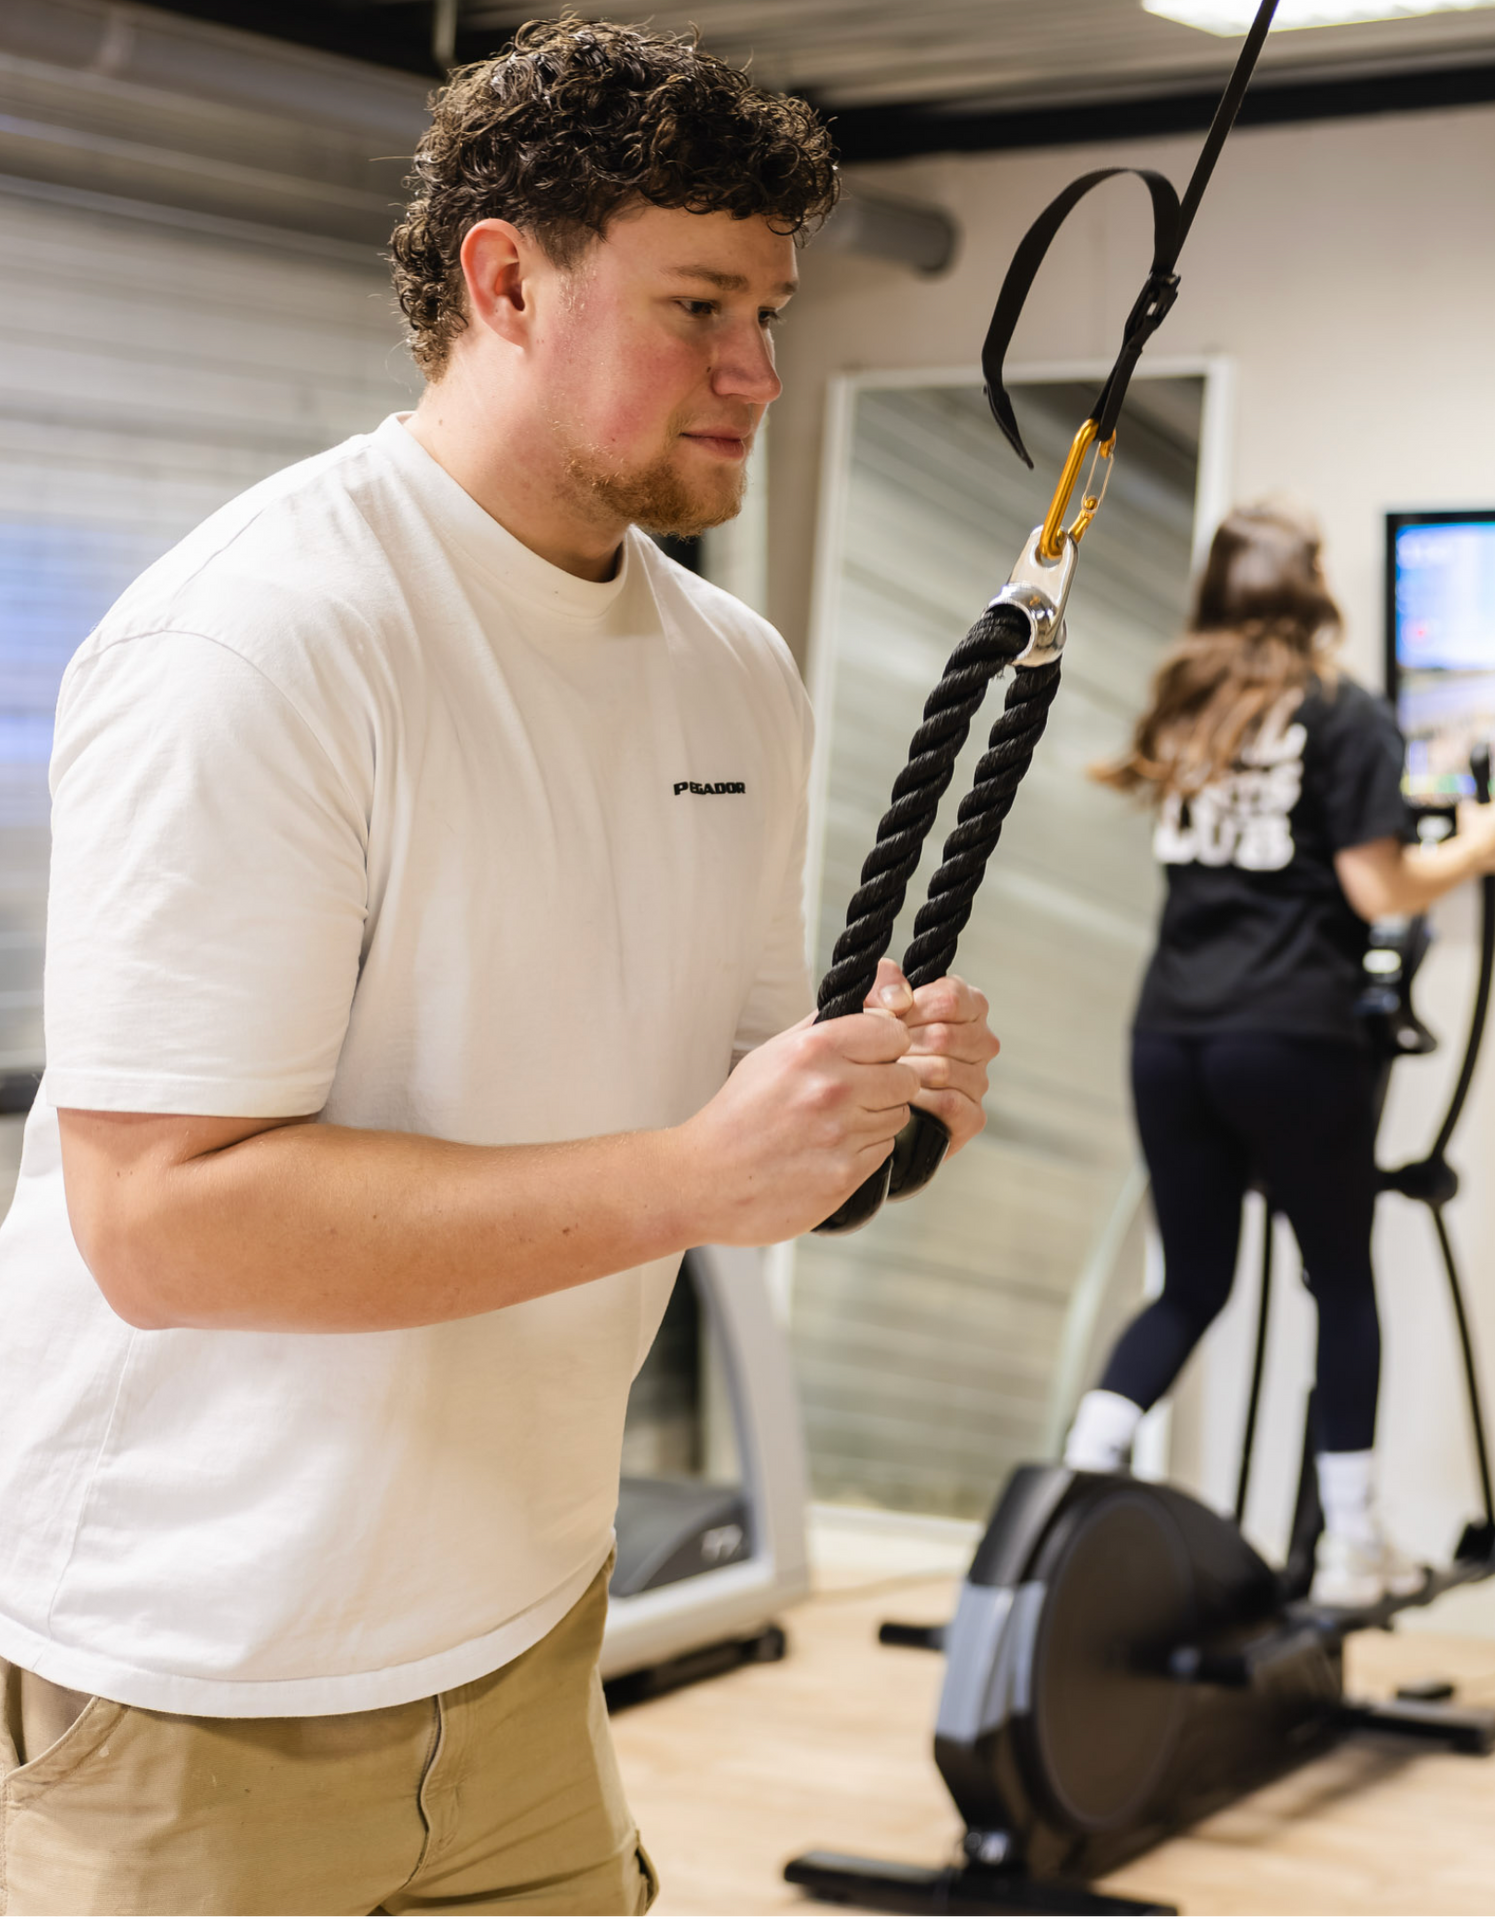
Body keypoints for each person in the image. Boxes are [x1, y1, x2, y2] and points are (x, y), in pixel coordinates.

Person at [0, 23, 998, 1918]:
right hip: (190, 1672)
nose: (759, 372)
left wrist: (854, 1108)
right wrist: (693, 1175)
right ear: (504, 279)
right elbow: (162, 1226)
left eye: (771, 312)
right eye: (701, 304)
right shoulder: (267, 639)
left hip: (531, 1641)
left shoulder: (734, 674)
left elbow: (729, 1132)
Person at [1062, 502, 1495, 1608]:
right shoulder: (1344, 712)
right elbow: (1378, 890)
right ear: (1317, 592)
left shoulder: (1188, 708)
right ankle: (1356, 1546)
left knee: (1194, 1284)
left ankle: (1068, 1498)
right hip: (1292, 1038)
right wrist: (1480, 845)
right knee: (1343, 1280)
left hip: (1169, 1033)